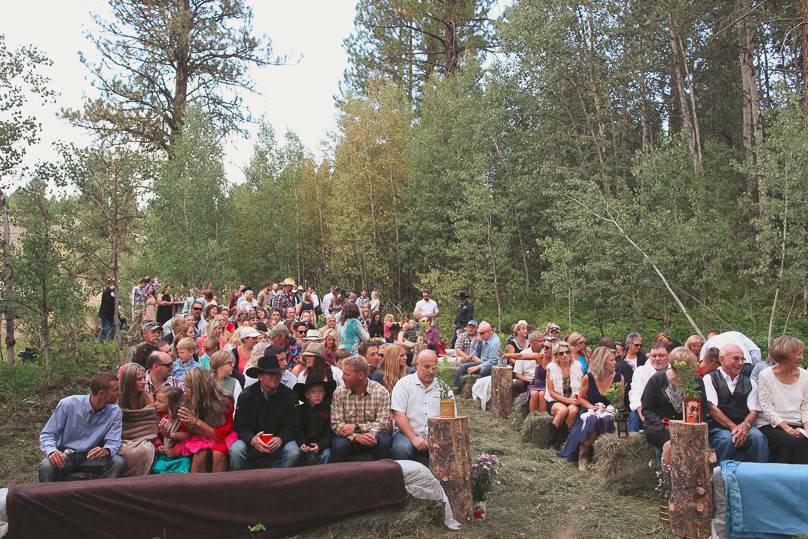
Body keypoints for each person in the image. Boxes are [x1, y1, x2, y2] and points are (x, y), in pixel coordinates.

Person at [38, 372, 125, 482]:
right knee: (46, 466)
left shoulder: (115, 412)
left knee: (118, 462)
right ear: (102, 393)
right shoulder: (68, 404)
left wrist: (107, 450)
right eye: (116, 390)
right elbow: (48, 434)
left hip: (91, 457)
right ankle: (47, 498)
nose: (119, 393)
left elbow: (114, 441)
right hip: (65, 455)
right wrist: (52, 451)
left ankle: (98, 495)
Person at [229, 352, 301, 470]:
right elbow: (240, 425)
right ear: (260, 376)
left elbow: (293, 425)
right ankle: (241, 485)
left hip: (279, 442)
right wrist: (252, 439)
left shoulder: (290, 395)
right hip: (252, 441)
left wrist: (281, 438)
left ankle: (276, 483)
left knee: (293, 452)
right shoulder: (246, 396)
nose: (275, 377)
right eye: (270, 374)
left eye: (278, 373)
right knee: (236, 450)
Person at [703, 344, 768, 464]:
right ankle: (721, 478)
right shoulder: (709, 379)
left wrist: (744, 426)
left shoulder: (750, 383)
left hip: (744, 426)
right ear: (722, 359)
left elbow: (754, 410)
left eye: (742, 359)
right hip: (718, 427)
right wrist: (733, 427)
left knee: (757, 438)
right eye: (736, 358)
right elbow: (712, 407)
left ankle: (760, 476)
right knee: (726, 440)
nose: (740, 363)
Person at [559, 346, 623, 470]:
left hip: (609, 410)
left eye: (614, 360)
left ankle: (603, 457)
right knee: (592, 420)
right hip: (590, 409)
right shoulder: (589, 377)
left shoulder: (619, 378)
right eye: (611, 360)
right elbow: (581, 398)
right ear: (602, 362)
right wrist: (592, 407)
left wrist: (608, 408)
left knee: (607, 420)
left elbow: (619, 401)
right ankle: (583, 454)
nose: (615, 362)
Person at [391, 350, 452, 464]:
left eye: (434, 367)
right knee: (401, 449)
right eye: (426, 367)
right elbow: (398, 415)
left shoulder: (444, 388)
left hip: (436, 434)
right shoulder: (404, 385)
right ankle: (404, 479)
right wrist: (414, 438)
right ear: (417, 365)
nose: (431, 371)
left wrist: (437, 438)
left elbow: (448, 417)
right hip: (407, 433)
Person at [641, 347, 699, 465]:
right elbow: (646, 409)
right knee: (671, 446)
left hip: (687, 426)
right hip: (659, 427)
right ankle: (665, 477)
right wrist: (662, 424)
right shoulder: (657, 380)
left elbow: (702, 407)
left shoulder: (695, 381)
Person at [329, 356, 392, 462]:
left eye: (347, 374)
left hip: (373, 435)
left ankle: (380, 475)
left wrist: (357, 427)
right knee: (339, 445)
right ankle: (336, 476)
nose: (343, 377)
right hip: (349, 437)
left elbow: (384, 423)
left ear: (360, 375)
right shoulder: (339, 392)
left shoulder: (381, 392)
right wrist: (356, 436)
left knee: (384, 441)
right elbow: (336, 423)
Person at [756, 336, 808, 464]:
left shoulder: (805, 375)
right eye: (798, 354)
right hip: (772, 425)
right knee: (792, 443)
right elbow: (767, 409)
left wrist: (807, 429)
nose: (802, 358)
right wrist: (788, 429)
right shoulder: (765, 375)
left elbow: (805, 406)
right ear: (785, 357)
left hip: (798, 424)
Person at [176, 368, 237, 473]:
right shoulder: (186, 402)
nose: (184, 389)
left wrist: (196, 421)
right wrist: (168, 433)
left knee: (218, 453)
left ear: (198, 389)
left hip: (221, 436)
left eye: (187, 386)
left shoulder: (224, 402)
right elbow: (186, 432)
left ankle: (217, 487)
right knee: (200, 455)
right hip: (200, 437)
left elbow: (218, 437)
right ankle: (196, 487)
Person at [116, 363, 159, 477]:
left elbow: (151, 423)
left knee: (146, 449)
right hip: (122, 439)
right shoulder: (117, 399)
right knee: (124, 452)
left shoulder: (148, 398)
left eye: (144, 378)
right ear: (129, 381)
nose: (144, 381)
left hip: (144, 438)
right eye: (139, 379)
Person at [545, 340, 583, 450]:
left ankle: (564, 441)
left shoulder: (578, 366)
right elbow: (551, 392)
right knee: (563, 410)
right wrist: (568, 401)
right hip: (555, 399)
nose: (565, 355)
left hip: (572, 398)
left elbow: (580, 389)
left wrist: (575, 400)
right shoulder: (550, 368)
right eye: (561, 353)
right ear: (556, 356)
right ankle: (551, 443)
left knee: (573, 411)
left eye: (567, 352)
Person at [292, 375, 337, 465]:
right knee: (296, 454)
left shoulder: (329, 409)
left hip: (323, 445)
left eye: (320, 391)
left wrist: (320, 446)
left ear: (324, 393)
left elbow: (330, 431)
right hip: (305, 445)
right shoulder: (300, 410)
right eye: (313, 392)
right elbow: (298, 429)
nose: (317, 395)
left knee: (327, 455)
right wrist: (302, 443)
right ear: (307, 395)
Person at [627, 342, 670, 432]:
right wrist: (639, 407)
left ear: (668, 356)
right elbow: (635, 392)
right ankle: (630, 443)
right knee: (634, 415)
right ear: (649, 356)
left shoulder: (673, 372)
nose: (657, 359)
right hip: (645, 408)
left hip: (667, 411)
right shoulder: (641, 371)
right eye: (654, 356)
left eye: (661, 355)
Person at [150, 386, 192, 474]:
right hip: (162, 455)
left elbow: (188, 437)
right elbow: (153, 434)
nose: (156, 403)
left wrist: (175, 451)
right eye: (156, 400)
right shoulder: (156, 416)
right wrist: (158, 446)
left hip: (179, 455)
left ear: (172, 404)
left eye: (161, 401)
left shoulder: (181, 418)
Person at [503, 331, 544, 398]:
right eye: (540, 341)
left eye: (543, 340)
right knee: (517, 384)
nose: (543, 343)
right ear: (532, 342)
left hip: (542, 381)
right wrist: (529, 381)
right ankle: (512, 405)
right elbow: (517, 373)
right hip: (527, 381)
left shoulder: (546, 352)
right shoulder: (524, 352)